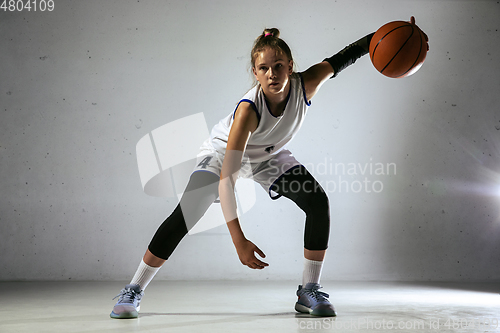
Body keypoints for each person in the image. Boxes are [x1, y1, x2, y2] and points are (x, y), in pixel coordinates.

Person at [111, 18, 427, 319]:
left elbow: (349, 55)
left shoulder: (308, 84)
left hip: (268, 156)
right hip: (223, 155)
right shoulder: (249, 111)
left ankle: (309, 290)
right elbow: (226, 181)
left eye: (278, 66)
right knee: (189, 211)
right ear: (255, 73)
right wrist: (239, 241)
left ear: (291, 66)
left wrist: (399, 34)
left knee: (318, 202)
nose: (272, 74)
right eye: (264, 69)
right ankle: (133, 289)